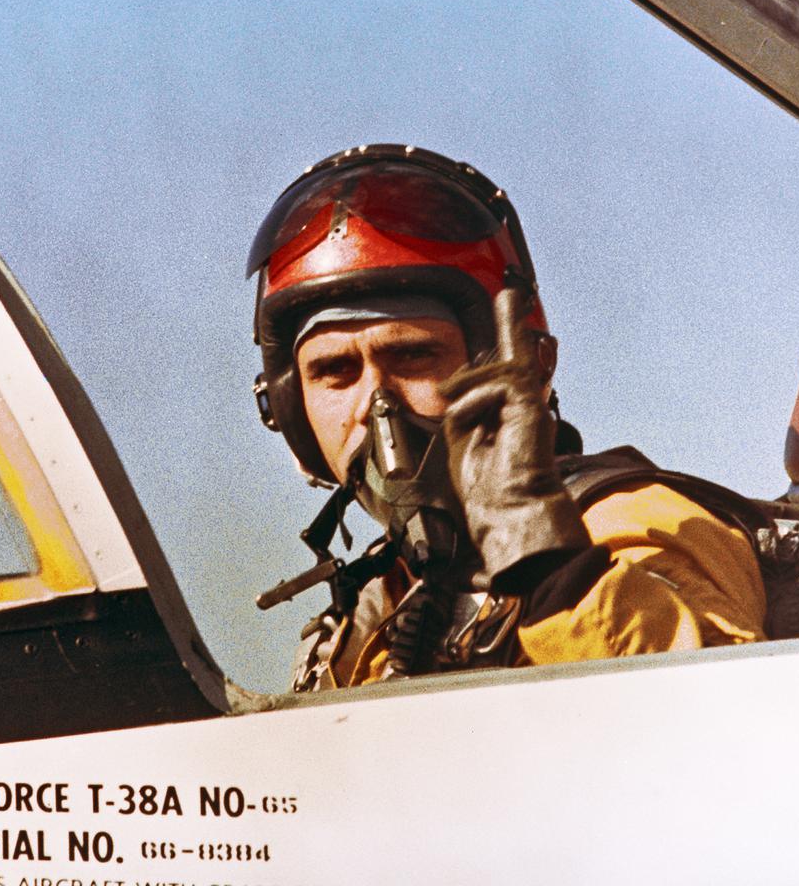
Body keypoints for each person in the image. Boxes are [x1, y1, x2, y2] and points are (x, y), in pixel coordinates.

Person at [247, 144, 767, 691]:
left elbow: (713, 713)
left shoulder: (636, 523)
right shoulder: (379, 605)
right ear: (289, 407)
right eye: (335, 371)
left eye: (413, 355)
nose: (376, 405)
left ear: (507, 366)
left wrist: (552, 570)